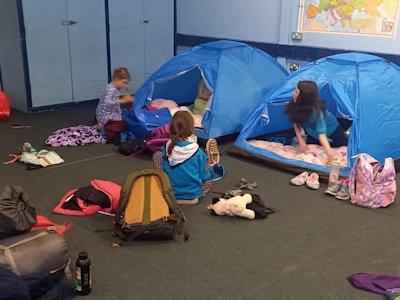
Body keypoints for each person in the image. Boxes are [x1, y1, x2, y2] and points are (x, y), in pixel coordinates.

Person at [152, 111, 215, 205]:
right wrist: (210, 167)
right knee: (208, 180)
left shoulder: (166, 148)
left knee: (157, 155)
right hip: (192, 196)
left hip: (169, 194)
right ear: (191, 129)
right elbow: (204, 176)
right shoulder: (198, 152)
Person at [284, 80, 348, 166]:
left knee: (344, 146)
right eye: (295, 91)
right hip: (312, 131)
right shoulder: (295, 104)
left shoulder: (317, 113)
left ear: (303, 98)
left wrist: (330, 156)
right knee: (312, 148)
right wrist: (301, 141)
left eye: (296, 92)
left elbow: (322, 135)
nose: (293, 94)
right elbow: (296, 121)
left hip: (332, 128)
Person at [96, 67, 134, 144]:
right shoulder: (110, 88)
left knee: (121, 117)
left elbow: (117, 106)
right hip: (104, 114)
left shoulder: (116, 89)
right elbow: (107, 102)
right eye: (124, 82)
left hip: (111, 112)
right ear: (116, 79)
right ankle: (103, 130)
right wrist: (122, 100)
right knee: (119, 122)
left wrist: (120, 112)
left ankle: (103, 126)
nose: (125, 85)